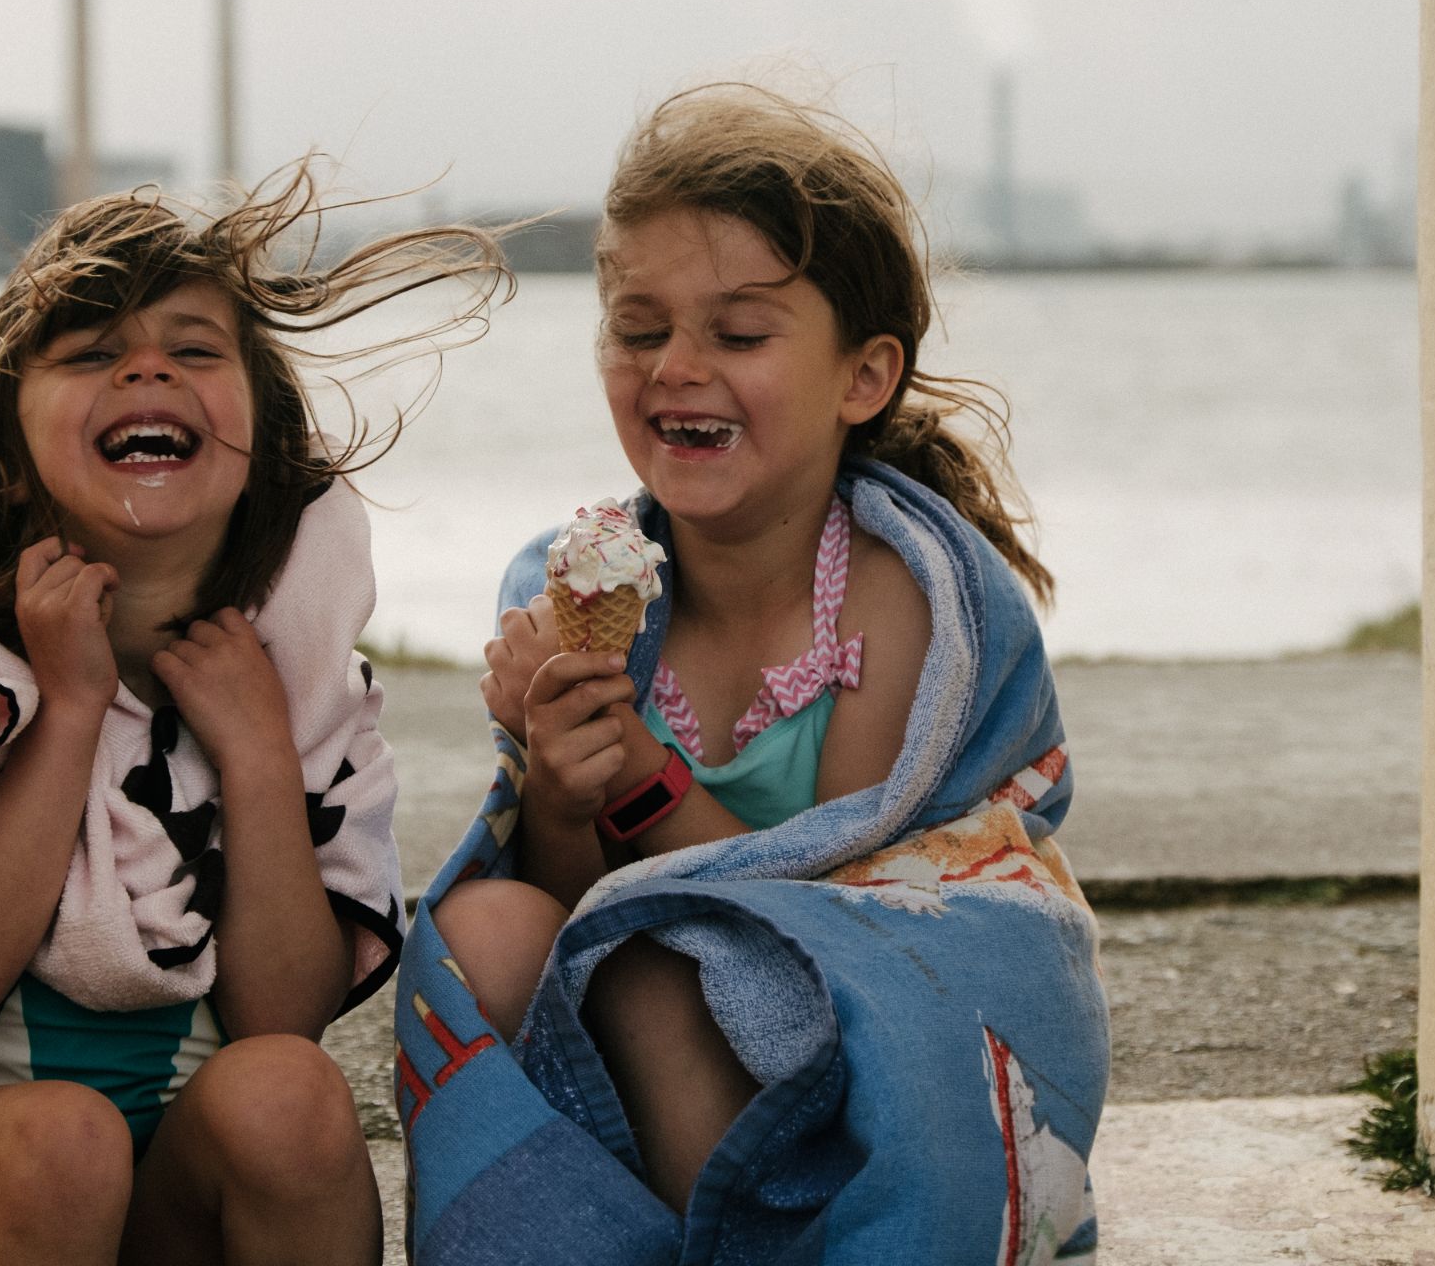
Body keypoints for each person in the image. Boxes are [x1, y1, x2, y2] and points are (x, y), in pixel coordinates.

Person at [396, 84, 1109, 1266]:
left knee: (653, 973)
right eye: (638, 330)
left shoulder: (896, 602)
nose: (677, 368)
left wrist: (640, 774)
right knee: (489, 924)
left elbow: (845, 910)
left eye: (738, 335)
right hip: (646, 1058)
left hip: (859, 1061)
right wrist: (563, 793)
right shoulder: (584, 594)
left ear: (862, 376)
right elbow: (578, 911)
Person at [0, 179, 505, 1266]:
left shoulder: (301, 689)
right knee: (64, 1141)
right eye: (91, 352)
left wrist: (257, 754)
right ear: (9, 451)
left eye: (194, 350)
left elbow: (283, 1015)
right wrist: (67, 709)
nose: (148, 370)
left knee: (293, 1091)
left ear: (262, 439)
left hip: (176, 1199)